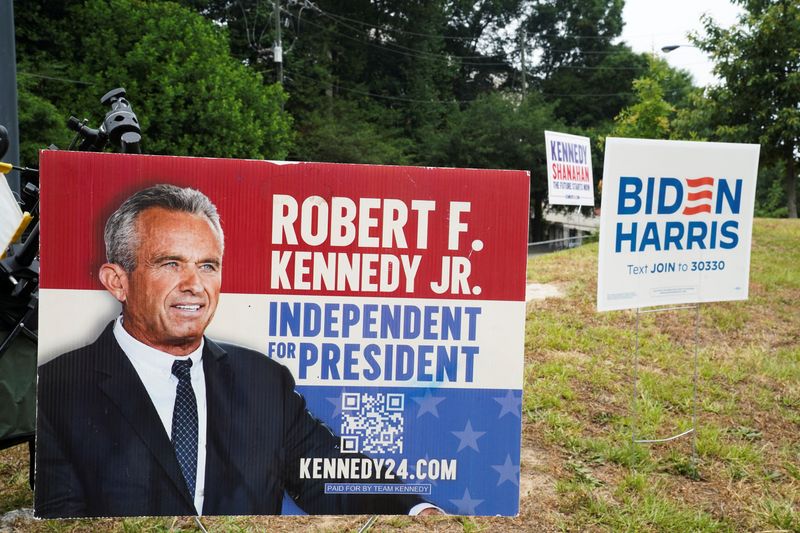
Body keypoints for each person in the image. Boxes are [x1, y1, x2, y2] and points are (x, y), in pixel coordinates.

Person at [35, 184, 437, 518]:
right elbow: (61, 520)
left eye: (208, 266)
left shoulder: (263, 380)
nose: (194, 284)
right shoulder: (57, 388)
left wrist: (418, 513)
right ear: (117, 282)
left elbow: (334, 476)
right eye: (171, 264)